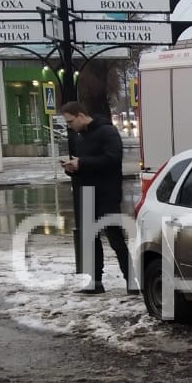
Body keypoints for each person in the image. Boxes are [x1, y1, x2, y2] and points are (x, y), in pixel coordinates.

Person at [59, 101, 131, 295]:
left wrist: (81, 163)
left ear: (81, 115)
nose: (69, 126)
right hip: (88, 192)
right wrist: (72, 169)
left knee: (115, 239)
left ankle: (132, 281)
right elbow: (84, 166)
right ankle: (96, 282)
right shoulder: (80, 136)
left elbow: (113, 159)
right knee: (91, 239)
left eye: (70, 121)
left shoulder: (106, 131)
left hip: (107, 194)